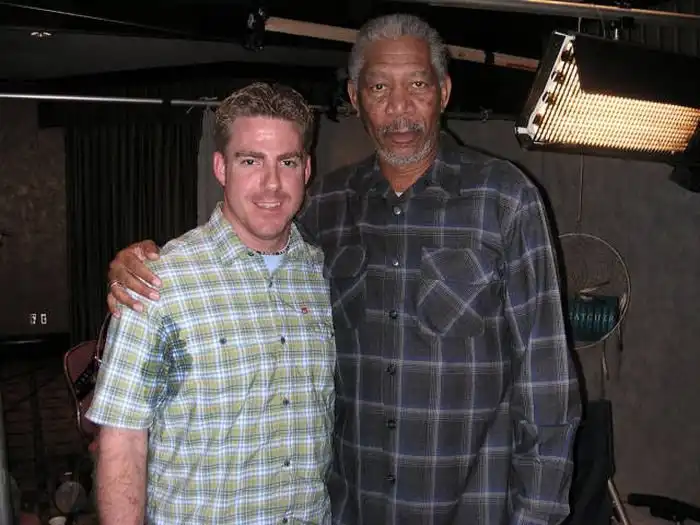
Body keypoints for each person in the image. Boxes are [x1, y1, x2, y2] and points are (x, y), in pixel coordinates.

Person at [106, 13, 582, 525]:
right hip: (350, 509)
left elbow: (547, 381)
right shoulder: (326, 210)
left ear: (443, 91)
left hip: (472, 509)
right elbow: (252, 241)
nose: (399, 108)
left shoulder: (504, 199)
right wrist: (137, 262)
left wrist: (538, 515)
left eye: (417, 85)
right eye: (379, 87)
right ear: (355, 97)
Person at [87, 82, 336, 525]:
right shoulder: (159, 281)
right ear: (221, 167)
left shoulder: (322, 275)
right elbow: (123, 440)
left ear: (307, 168)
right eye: (250, 161)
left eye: (287, 162)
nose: (272, 183)